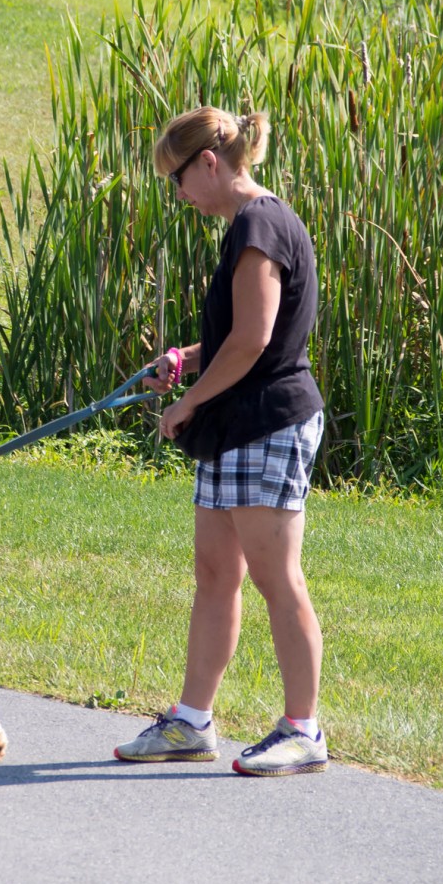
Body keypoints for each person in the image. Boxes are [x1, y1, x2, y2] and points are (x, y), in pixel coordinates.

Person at [113, 106, 327, 777]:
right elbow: (238, 338)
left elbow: (256, 340)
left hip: (269, 420)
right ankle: (191, 722)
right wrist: (186, 361)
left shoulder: (260, 226)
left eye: (176, 180)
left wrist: (187, 401)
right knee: (215, 575)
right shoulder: (247, 225)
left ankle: (304, 730)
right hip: (238, 421)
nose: (177, 195)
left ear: (208, 163)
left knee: (276, 579)